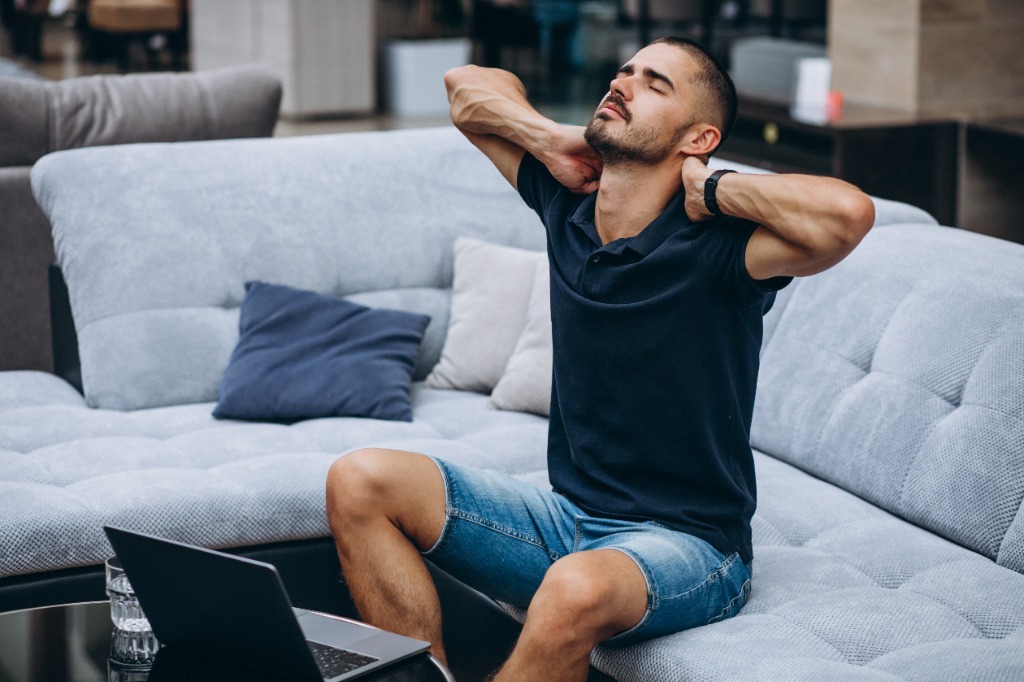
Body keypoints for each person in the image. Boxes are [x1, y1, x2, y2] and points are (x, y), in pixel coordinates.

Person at [326, 37, 874, 682]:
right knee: (358, 479)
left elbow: (848, 214)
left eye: (655, 84)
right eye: (625, 71)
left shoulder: (725, 253)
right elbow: (465, 86)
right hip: (567, 521)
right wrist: (548, 137)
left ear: (698, 138)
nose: (625, 83)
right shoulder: (566, 202)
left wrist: (718, 187)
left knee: (573, 587)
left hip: (690, 548)